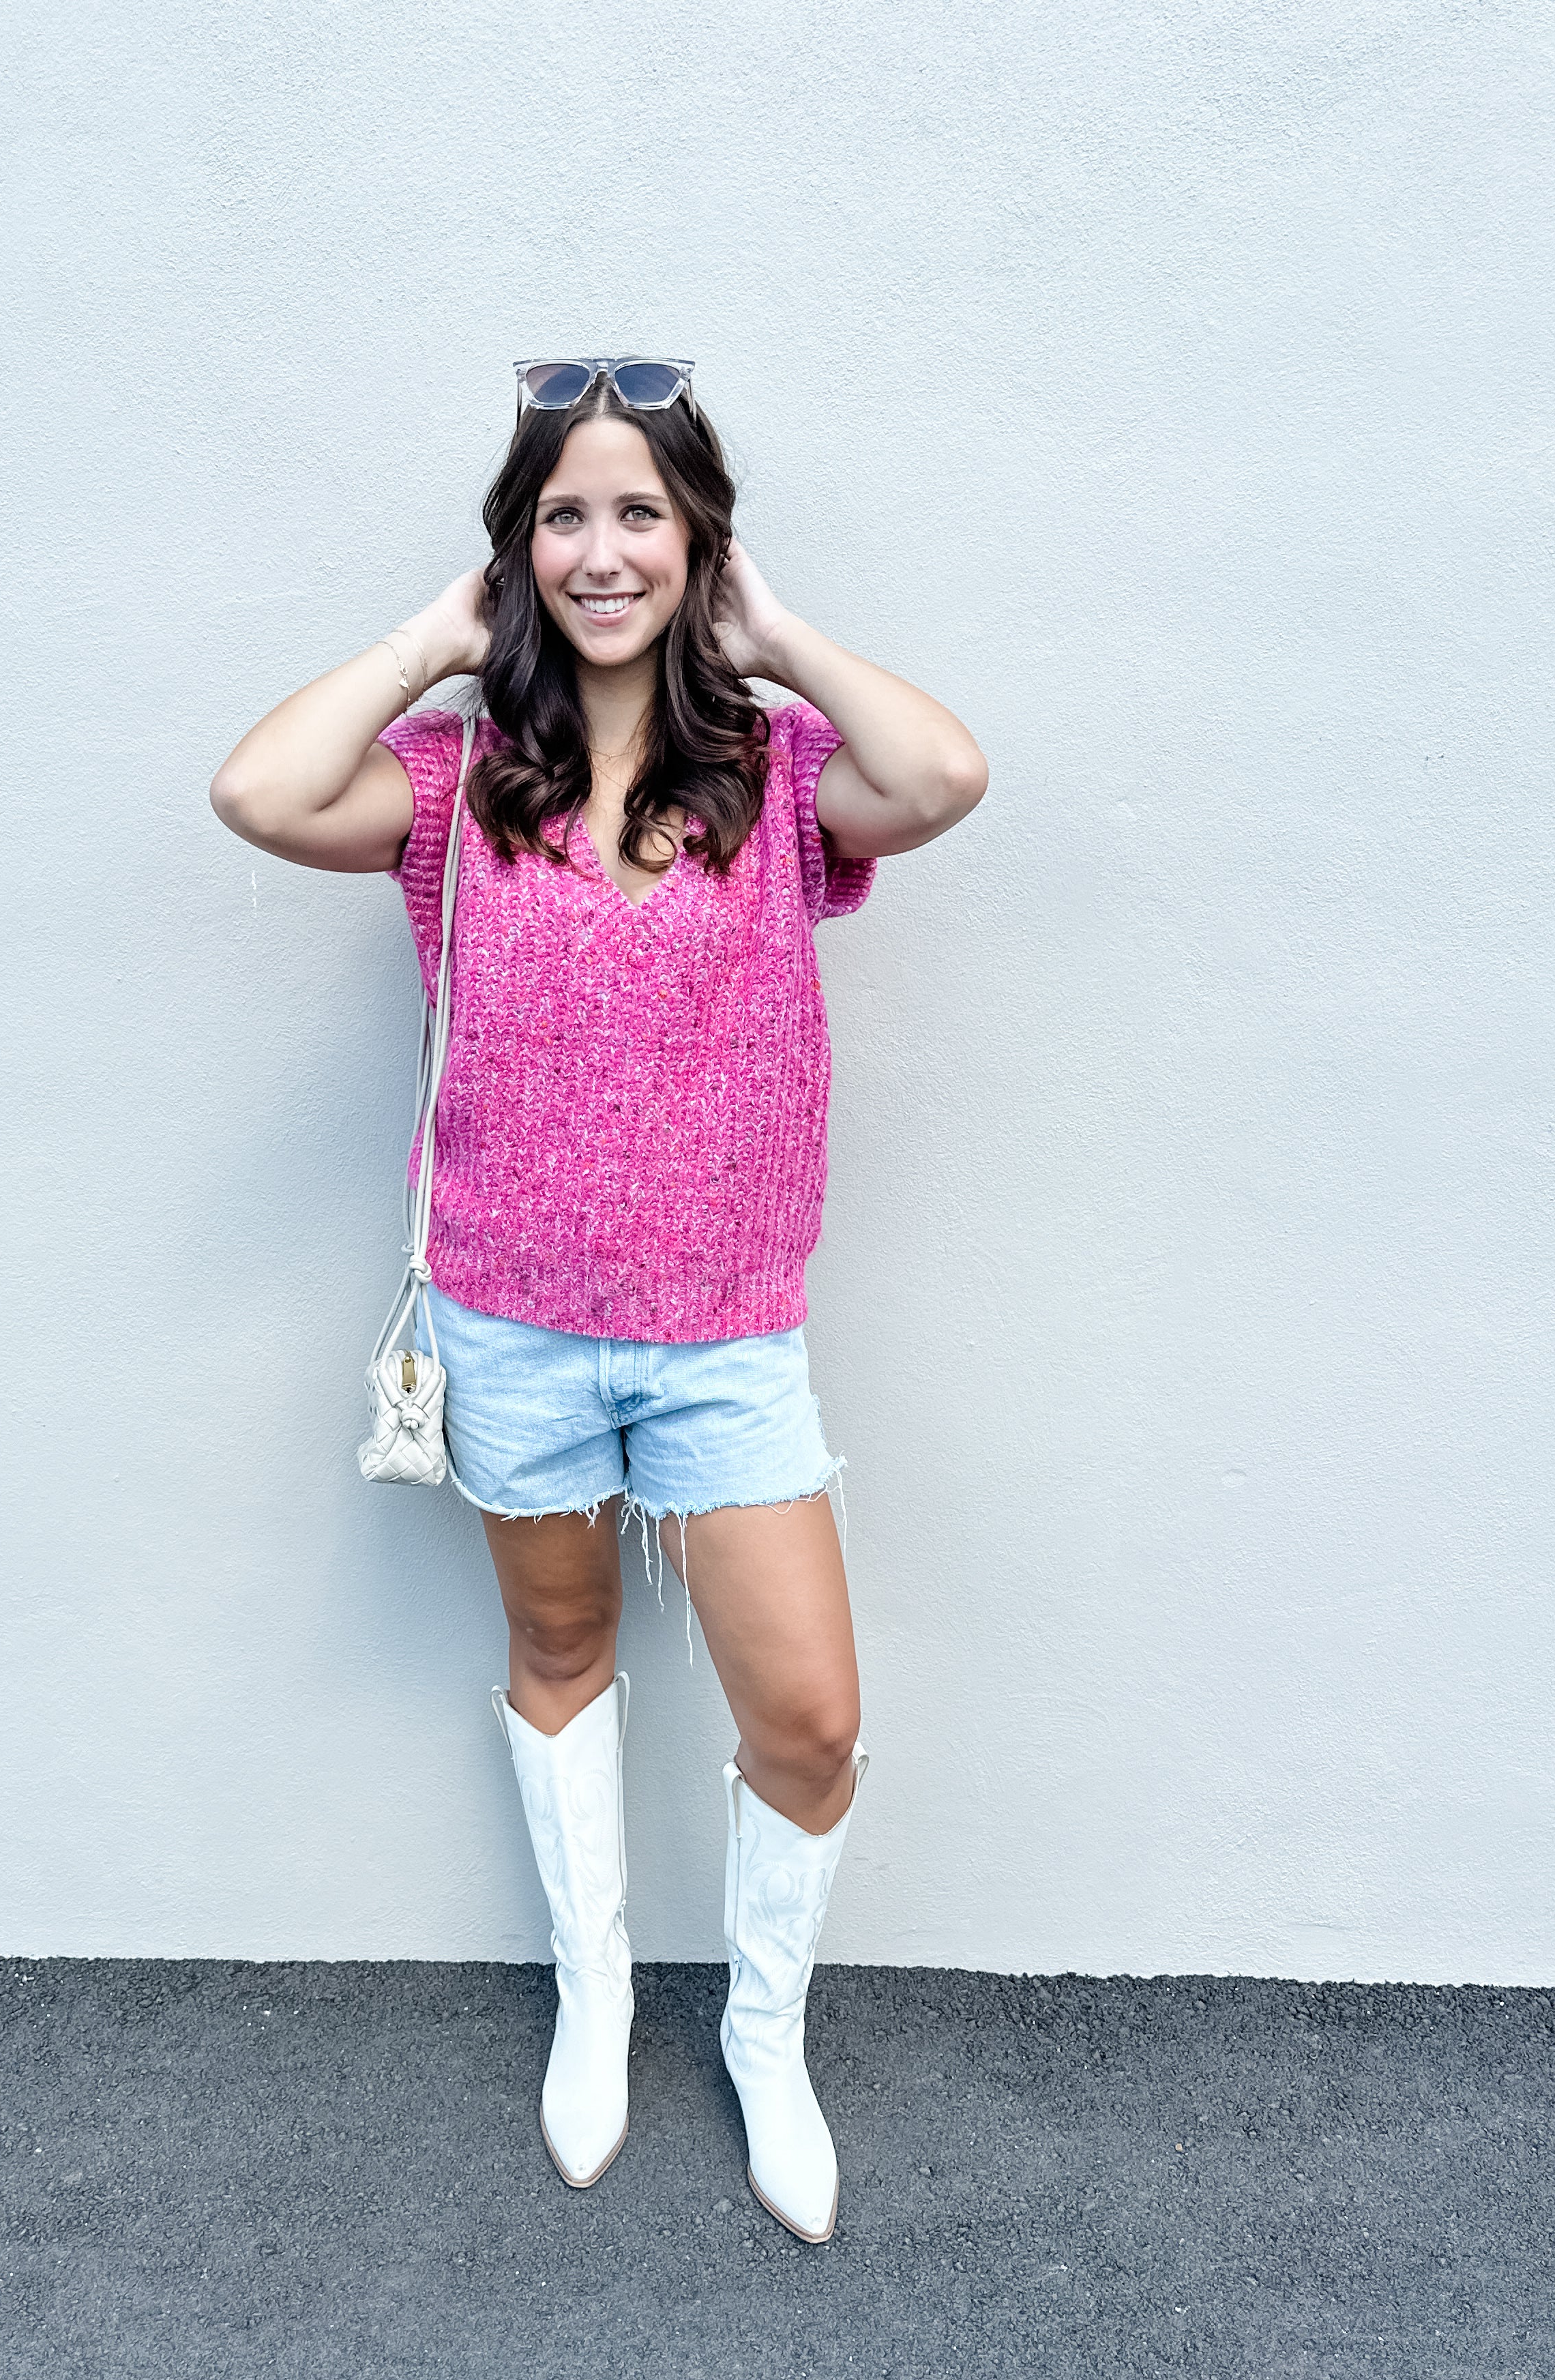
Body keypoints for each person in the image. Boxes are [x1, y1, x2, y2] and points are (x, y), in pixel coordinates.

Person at [210, 357, 986, 2242]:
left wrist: (776, 631)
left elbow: (945, 774)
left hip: (725, 1337)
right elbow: (255, 788)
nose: (603, 546)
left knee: (804, 1721)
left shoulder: (783, 781)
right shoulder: (453, 782)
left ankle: (765, 2031)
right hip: (512, 1326)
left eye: (642, 510)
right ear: (520, 550)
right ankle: (596, 1994)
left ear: (697, 538)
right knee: (563, 1668)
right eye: (566, 513)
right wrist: (434, 639)